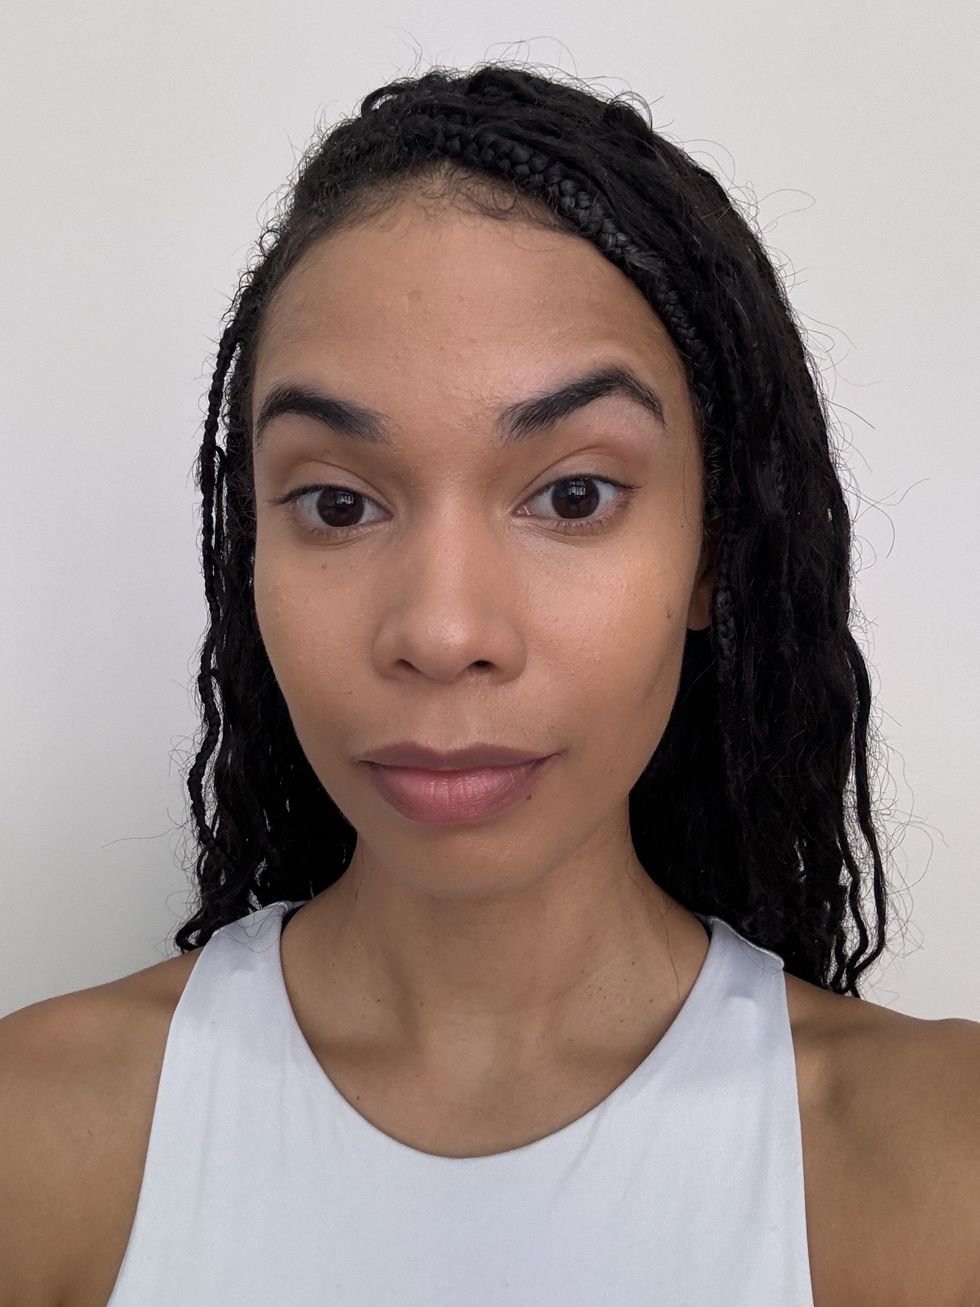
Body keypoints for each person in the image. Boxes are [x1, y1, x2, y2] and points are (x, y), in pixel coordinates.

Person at [2, 61, 978, 1307]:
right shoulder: (36, 1138)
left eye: (572, 494)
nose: (442, 629)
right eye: (337, 503)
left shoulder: (937, 1160)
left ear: (709, 552)